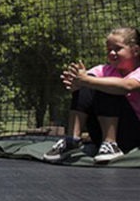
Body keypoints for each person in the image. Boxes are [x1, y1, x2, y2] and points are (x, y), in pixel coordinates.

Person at [44, 27, 140, 164]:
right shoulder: (103, 69)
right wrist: (76, 84)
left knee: (104, 85)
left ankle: (111, 144)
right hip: (98, 132)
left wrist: (87, 81)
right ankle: (72, 140)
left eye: (117, 49)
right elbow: (84, 88)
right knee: (88, 83)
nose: (112, 53)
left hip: (133, 134)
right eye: (108, 50)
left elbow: (127, 86)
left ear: (135, 50)